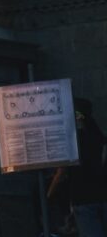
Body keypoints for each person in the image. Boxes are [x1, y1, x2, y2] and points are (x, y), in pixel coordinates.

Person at [49, 98, 107, 237]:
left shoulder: (72, 140)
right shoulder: (98, 136)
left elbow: (62, 171)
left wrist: (49, 193)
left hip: (83, 198)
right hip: (103, 194)